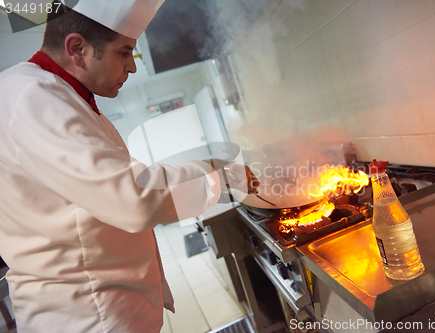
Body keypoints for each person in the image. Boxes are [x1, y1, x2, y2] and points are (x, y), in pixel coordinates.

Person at [0, 1, 257, 332]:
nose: (132, 68)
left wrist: (211, 170)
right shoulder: (31, 97)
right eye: (124, 53)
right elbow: (134, 199)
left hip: (103, 307)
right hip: (88, 317)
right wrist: (224, 179)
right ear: (77, 49)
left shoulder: (57, 95)